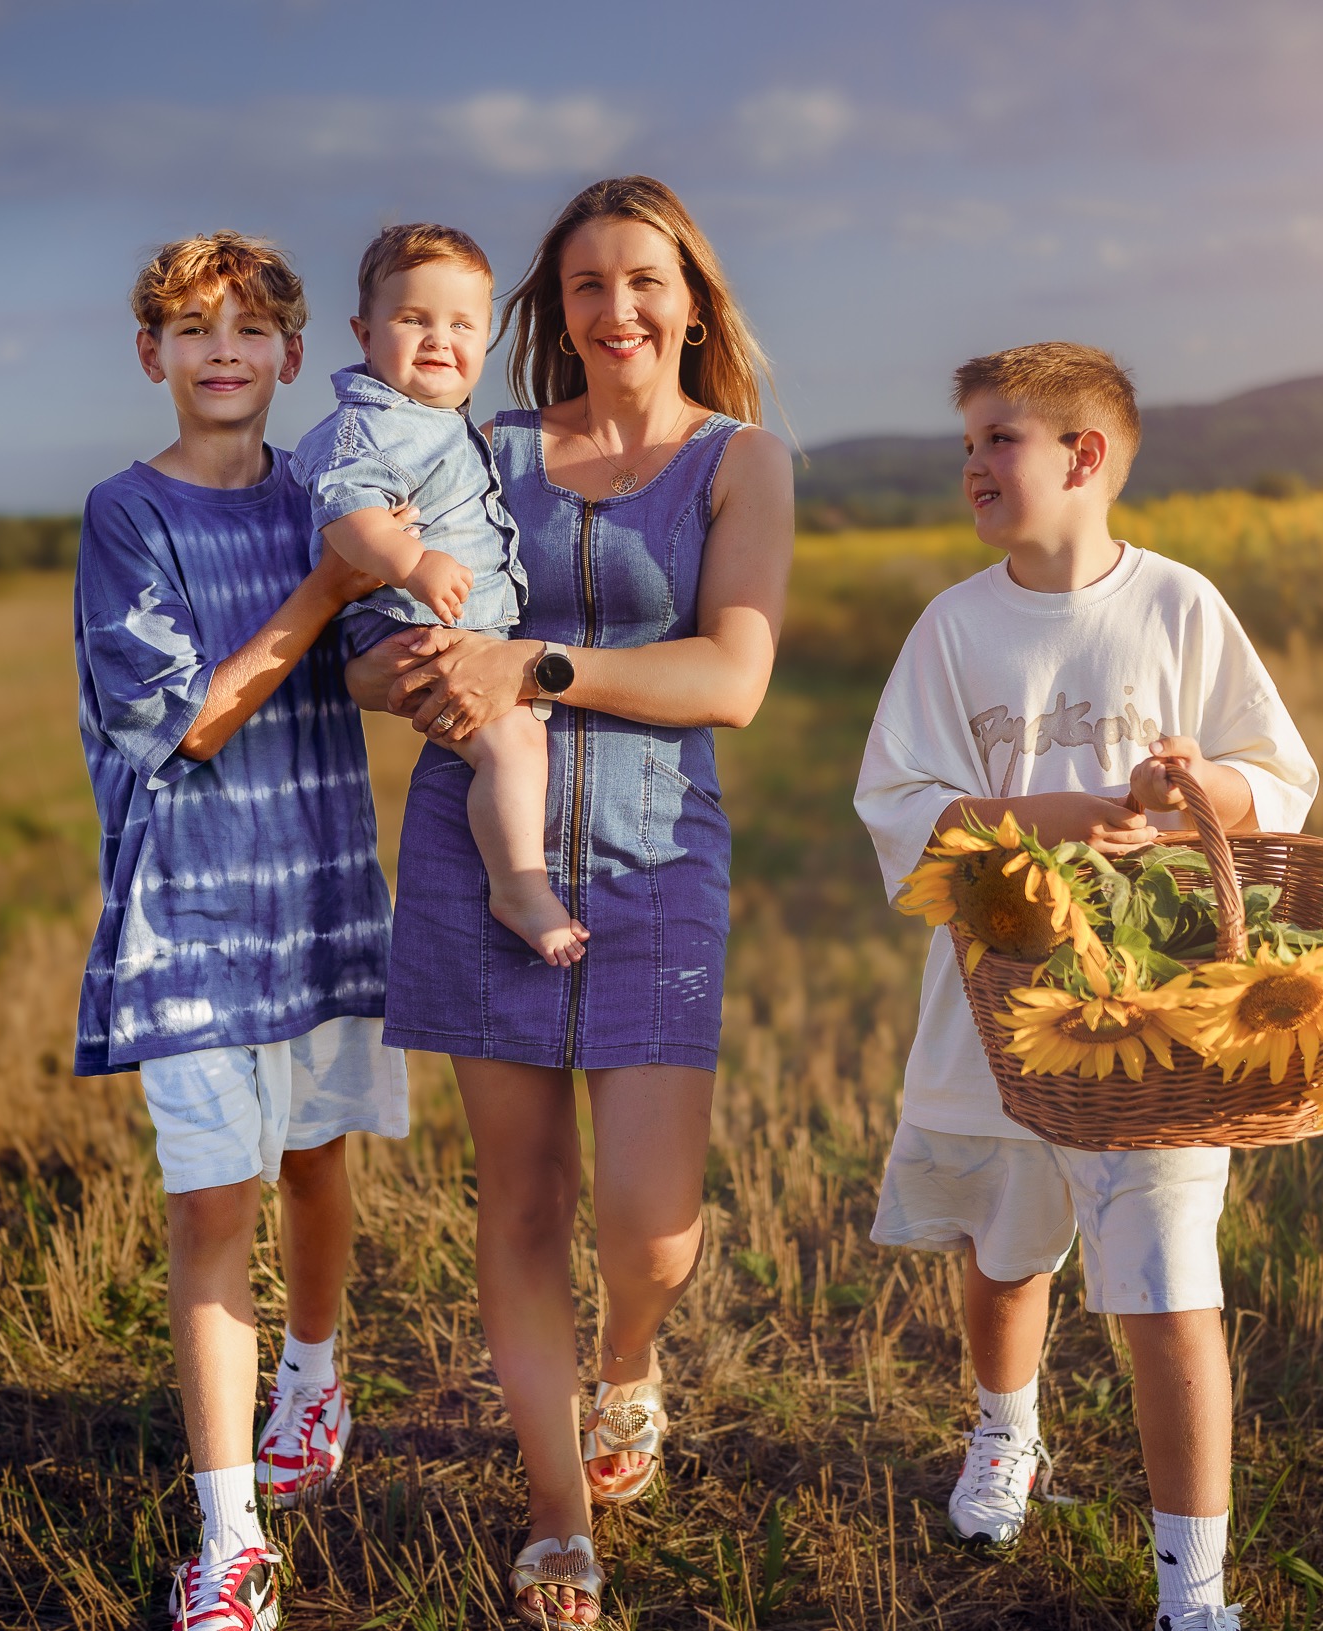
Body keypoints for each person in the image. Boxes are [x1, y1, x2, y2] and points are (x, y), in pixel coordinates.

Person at [345, 176, 793, 1627]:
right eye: (588, 285)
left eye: (644, 281)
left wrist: (526, 663)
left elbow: (729, 676)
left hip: (659, 861)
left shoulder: (738, 461)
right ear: (557, 308)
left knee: (650, 1225)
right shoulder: (487, 446)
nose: (617, 310)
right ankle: (554, 1513)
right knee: (522, 1197)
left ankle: (631, 1360)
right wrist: (415, 670)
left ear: (691, 301)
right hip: (481, 861)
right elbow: (368, 644)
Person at [853, 342, 1320, 1631]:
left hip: (1155, 1020)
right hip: (1002, 1007)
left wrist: (1198, 787)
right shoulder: (954, 627)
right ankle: (1005, 1432)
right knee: (1006, 1255)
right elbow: (894, 804)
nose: (972, 467)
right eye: (965, 445)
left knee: (1171, 1287)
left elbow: (1275, 778)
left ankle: (1195, 1591)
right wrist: (1036, 812)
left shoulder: (1175, 606)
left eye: (997, 440)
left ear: (1085, 456)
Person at [72, 231, 412, 1631]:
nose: (222, 350)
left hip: (323, 892)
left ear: (288, 354)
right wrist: (333, 584)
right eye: (190, 329)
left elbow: (387, 668)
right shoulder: (124, 514)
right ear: (150, 355)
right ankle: (232, 1538)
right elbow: (187, 723)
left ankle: (313, 1376)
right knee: (212, 1205)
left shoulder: (323, 499)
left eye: (247, 329)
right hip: (194, 914)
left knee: (318, 1163)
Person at [292, 224, 584, 969]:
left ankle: (519, 879)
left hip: (442, 629)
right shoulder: (371, 426)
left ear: (487, 340)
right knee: (513, 746)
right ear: (363, 332)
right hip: (410, 624)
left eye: (461, 324)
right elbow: (350, 515)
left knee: (514, 744)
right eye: (412, 318)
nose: (437, 338)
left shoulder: (439, 424)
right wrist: (412, 562)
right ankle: (518, 886)